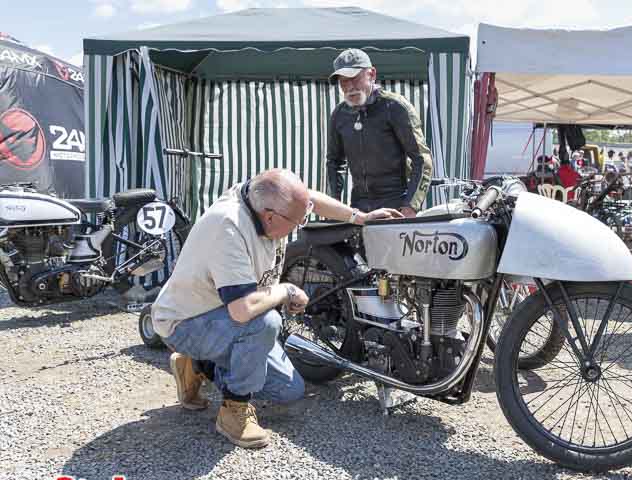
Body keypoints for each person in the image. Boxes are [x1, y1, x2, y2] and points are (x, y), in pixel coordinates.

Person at [150, 169, 402, 448]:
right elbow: (243, 310)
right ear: (270, 216)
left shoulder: (264, 198)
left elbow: (307, 199)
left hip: (223, 318)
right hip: (186, 322)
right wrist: (286, 290)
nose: (300, 226)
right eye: (297, 222)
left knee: (288, 390)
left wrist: (359, 217)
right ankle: (233, 412)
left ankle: (198, 365)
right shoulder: (228, 225)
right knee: (266, 322)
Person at [326, 48, 433, 218]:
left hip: (396, 205)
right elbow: (334, 163)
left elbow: (422, 159)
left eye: (355, 78)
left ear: (372, 74)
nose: (350, 87)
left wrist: (411, 205)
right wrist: (334, 206)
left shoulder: (395, 107)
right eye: (343, 81)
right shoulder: (339, 115)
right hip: (359, 208)